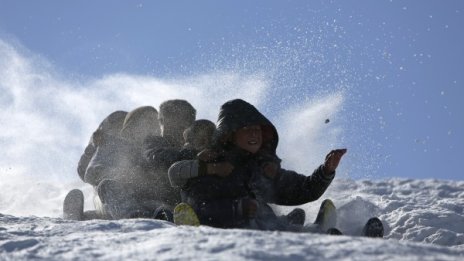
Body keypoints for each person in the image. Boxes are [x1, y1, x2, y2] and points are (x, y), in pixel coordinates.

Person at [168, 99, 346, 232]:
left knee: (274, 223)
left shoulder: (262, 169)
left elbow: (302, 189)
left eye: (257, 129)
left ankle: (317, 232)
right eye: (246, 128)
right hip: (220, 235)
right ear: (230, 134)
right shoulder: (211, 161)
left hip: (266, 232)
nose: (254, 133)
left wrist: (326, 171)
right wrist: (237, 208)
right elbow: (196, 201)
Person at [64, 110, 127, 220]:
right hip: (105, 197)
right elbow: (83, 171)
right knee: (102, 206)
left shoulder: (132, 148)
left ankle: (83, 217)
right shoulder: (101, 147)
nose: (118, 132)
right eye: (116, 127)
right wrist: (93, 148)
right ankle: (74, 215)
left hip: (130, 198)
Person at [142, 99, 197, 210]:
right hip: (159, 200)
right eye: (171, 119)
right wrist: (186, 153)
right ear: (161, 122)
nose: (176, 126)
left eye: (184, 120)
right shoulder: (153, 142)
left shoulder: (197, 145)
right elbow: (156, 157)